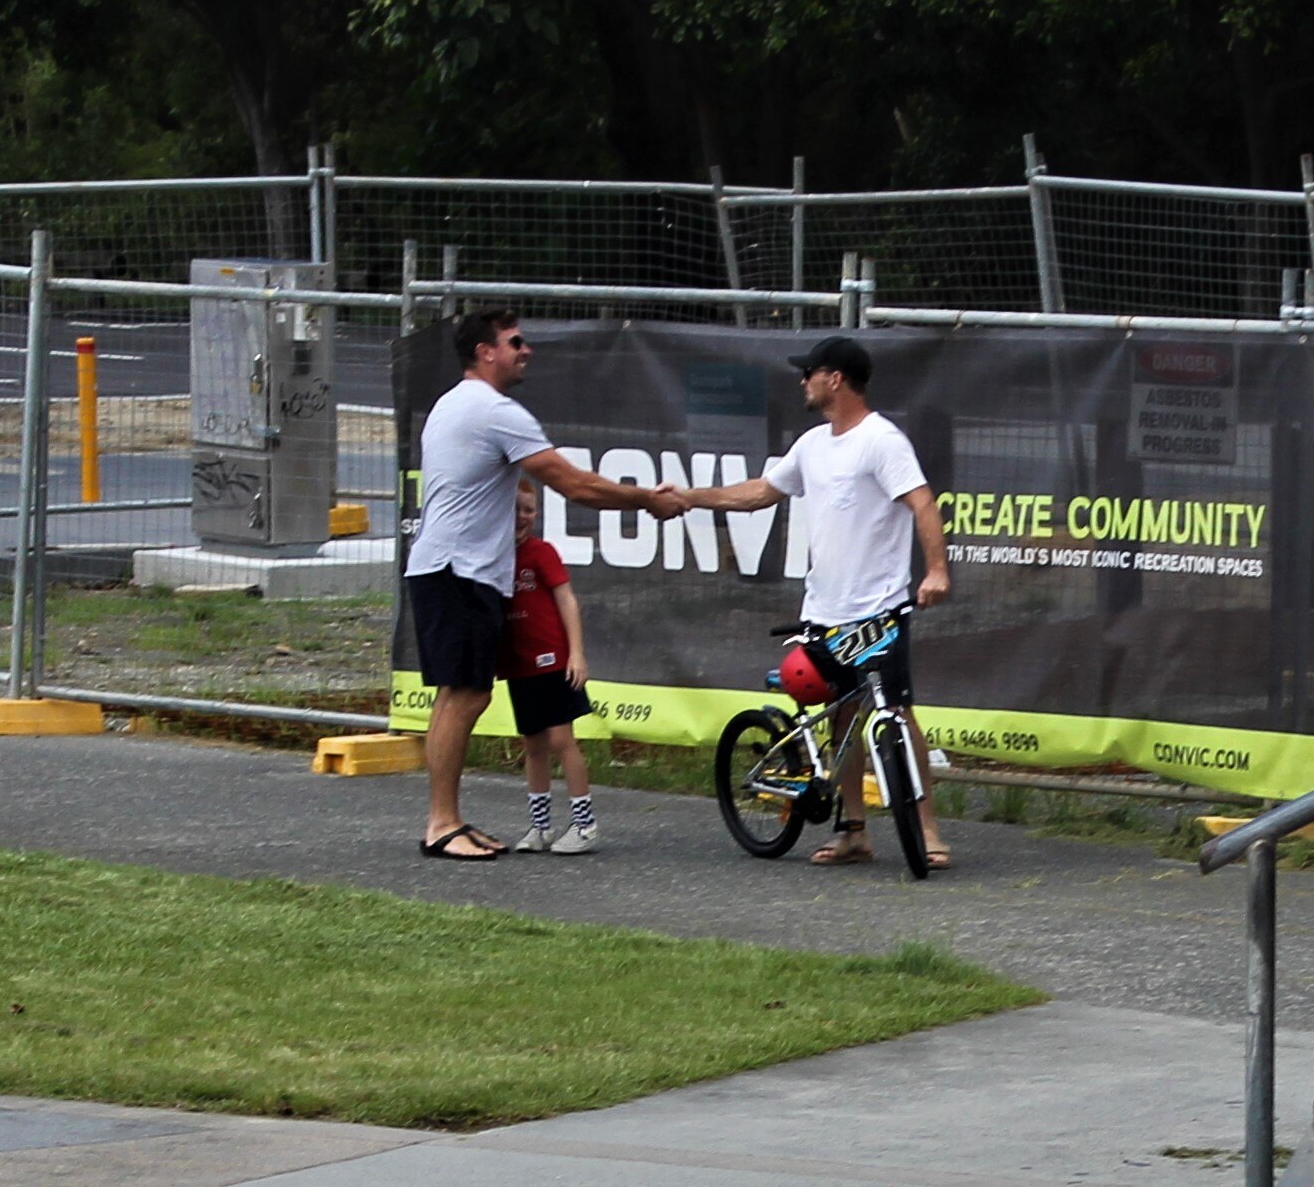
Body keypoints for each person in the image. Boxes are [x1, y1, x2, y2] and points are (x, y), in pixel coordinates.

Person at [408, 310, 679, 861]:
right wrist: (646, 500)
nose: (525, 350)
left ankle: (447, 818)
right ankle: (441, 823)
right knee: (467, 694)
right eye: (515, 342)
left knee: (458, 695)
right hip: (459, 572)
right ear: (486, 352)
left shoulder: (452, 403)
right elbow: (572, 483)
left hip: (448, 569)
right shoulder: (493, 410)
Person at [677, 334, 953, 870]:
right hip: (823, 612)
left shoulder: (882, 440)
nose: (802, 381)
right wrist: (691, 497)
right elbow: (759, 493)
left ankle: (928, 830)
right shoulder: (811, 445)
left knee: (896, 711)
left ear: (835, 379)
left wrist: (937, 571)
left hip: (878, 612)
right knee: (841, 715)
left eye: (810, 372)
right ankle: (853, 830)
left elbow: (923, 504)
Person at [505, 479, 598, 855]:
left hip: (553, 663)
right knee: (533, 744)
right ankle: (540, 825)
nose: (522, 518)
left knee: (562, 740)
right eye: (514, 510)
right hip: (520, 667)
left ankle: (585, 823)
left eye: (528, 510)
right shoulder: (493, 555)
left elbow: (567, 601)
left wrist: (576, 654)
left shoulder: (541, 553)